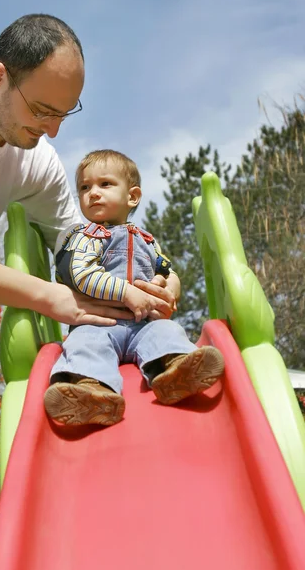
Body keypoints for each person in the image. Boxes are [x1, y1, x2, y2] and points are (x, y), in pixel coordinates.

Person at [0, 16, 174, 570]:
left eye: (65, 113)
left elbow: (78, 240)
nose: (53, 131)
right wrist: (46, 296)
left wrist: (146, 280)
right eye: (43, 110)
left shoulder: (35, 158)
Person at [44, 149, 225, 426]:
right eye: (84, 187)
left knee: (167, 331)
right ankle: (92, 392)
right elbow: (80, 273)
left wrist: (169, 287)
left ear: (132, 196)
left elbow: (166, 271)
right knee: (85, 344)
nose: (92, 192)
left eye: (105, 184)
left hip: (144, 325)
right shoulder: (85, 236)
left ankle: (176, 371)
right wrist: (126, 292)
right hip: (99, 322)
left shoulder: (146, 240)